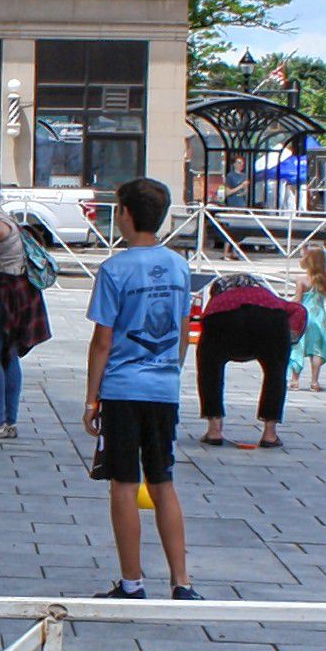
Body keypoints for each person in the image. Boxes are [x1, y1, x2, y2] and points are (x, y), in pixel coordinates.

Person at [85, 177, 196, 600]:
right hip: (163, 387)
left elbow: (102, 340)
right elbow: (183, 329)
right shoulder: (179, 266)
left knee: (124, 485)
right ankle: (182, 581)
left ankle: (132, 581)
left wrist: (92, 397)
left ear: (125, 215)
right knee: (163, 482)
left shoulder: (115, 268)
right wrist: (170, 370)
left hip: (123, 387)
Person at [0, 161, 44, 437]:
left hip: (2, 293)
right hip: (18, 292)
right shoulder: (2, 216)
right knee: (8, 355)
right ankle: (8, 421)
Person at [196, 273, 302, 449]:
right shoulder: (266, 294)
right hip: (271, 319)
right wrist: (291, 336)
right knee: (275, 373)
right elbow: (299, 310)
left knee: (210, 368)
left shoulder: (221, 297)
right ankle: (270, 434)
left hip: (223, 318)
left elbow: (205, 318)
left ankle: (214, 430)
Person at [290, 244, 326, 391]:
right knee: (317, 350)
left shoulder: (302, 280)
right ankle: (314, 382)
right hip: (319, 319)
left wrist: (286, 304)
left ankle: (295, 380)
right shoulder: (325, 281)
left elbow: (298, 300)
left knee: (298, 347)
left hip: (303, 318)